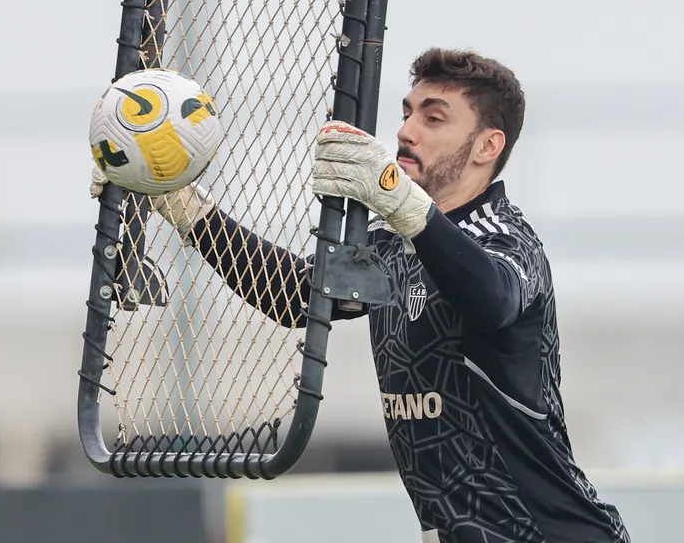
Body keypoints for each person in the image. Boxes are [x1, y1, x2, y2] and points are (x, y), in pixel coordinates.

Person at [91, 48, 630, 543]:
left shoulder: (507, 238)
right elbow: (292, 295)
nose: (406, 131)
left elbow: (492, 299)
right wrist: (182, 203)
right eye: (408, 112)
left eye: (433, 117)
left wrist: (400, 201)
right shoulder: (393, 248)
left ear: (489, 146)